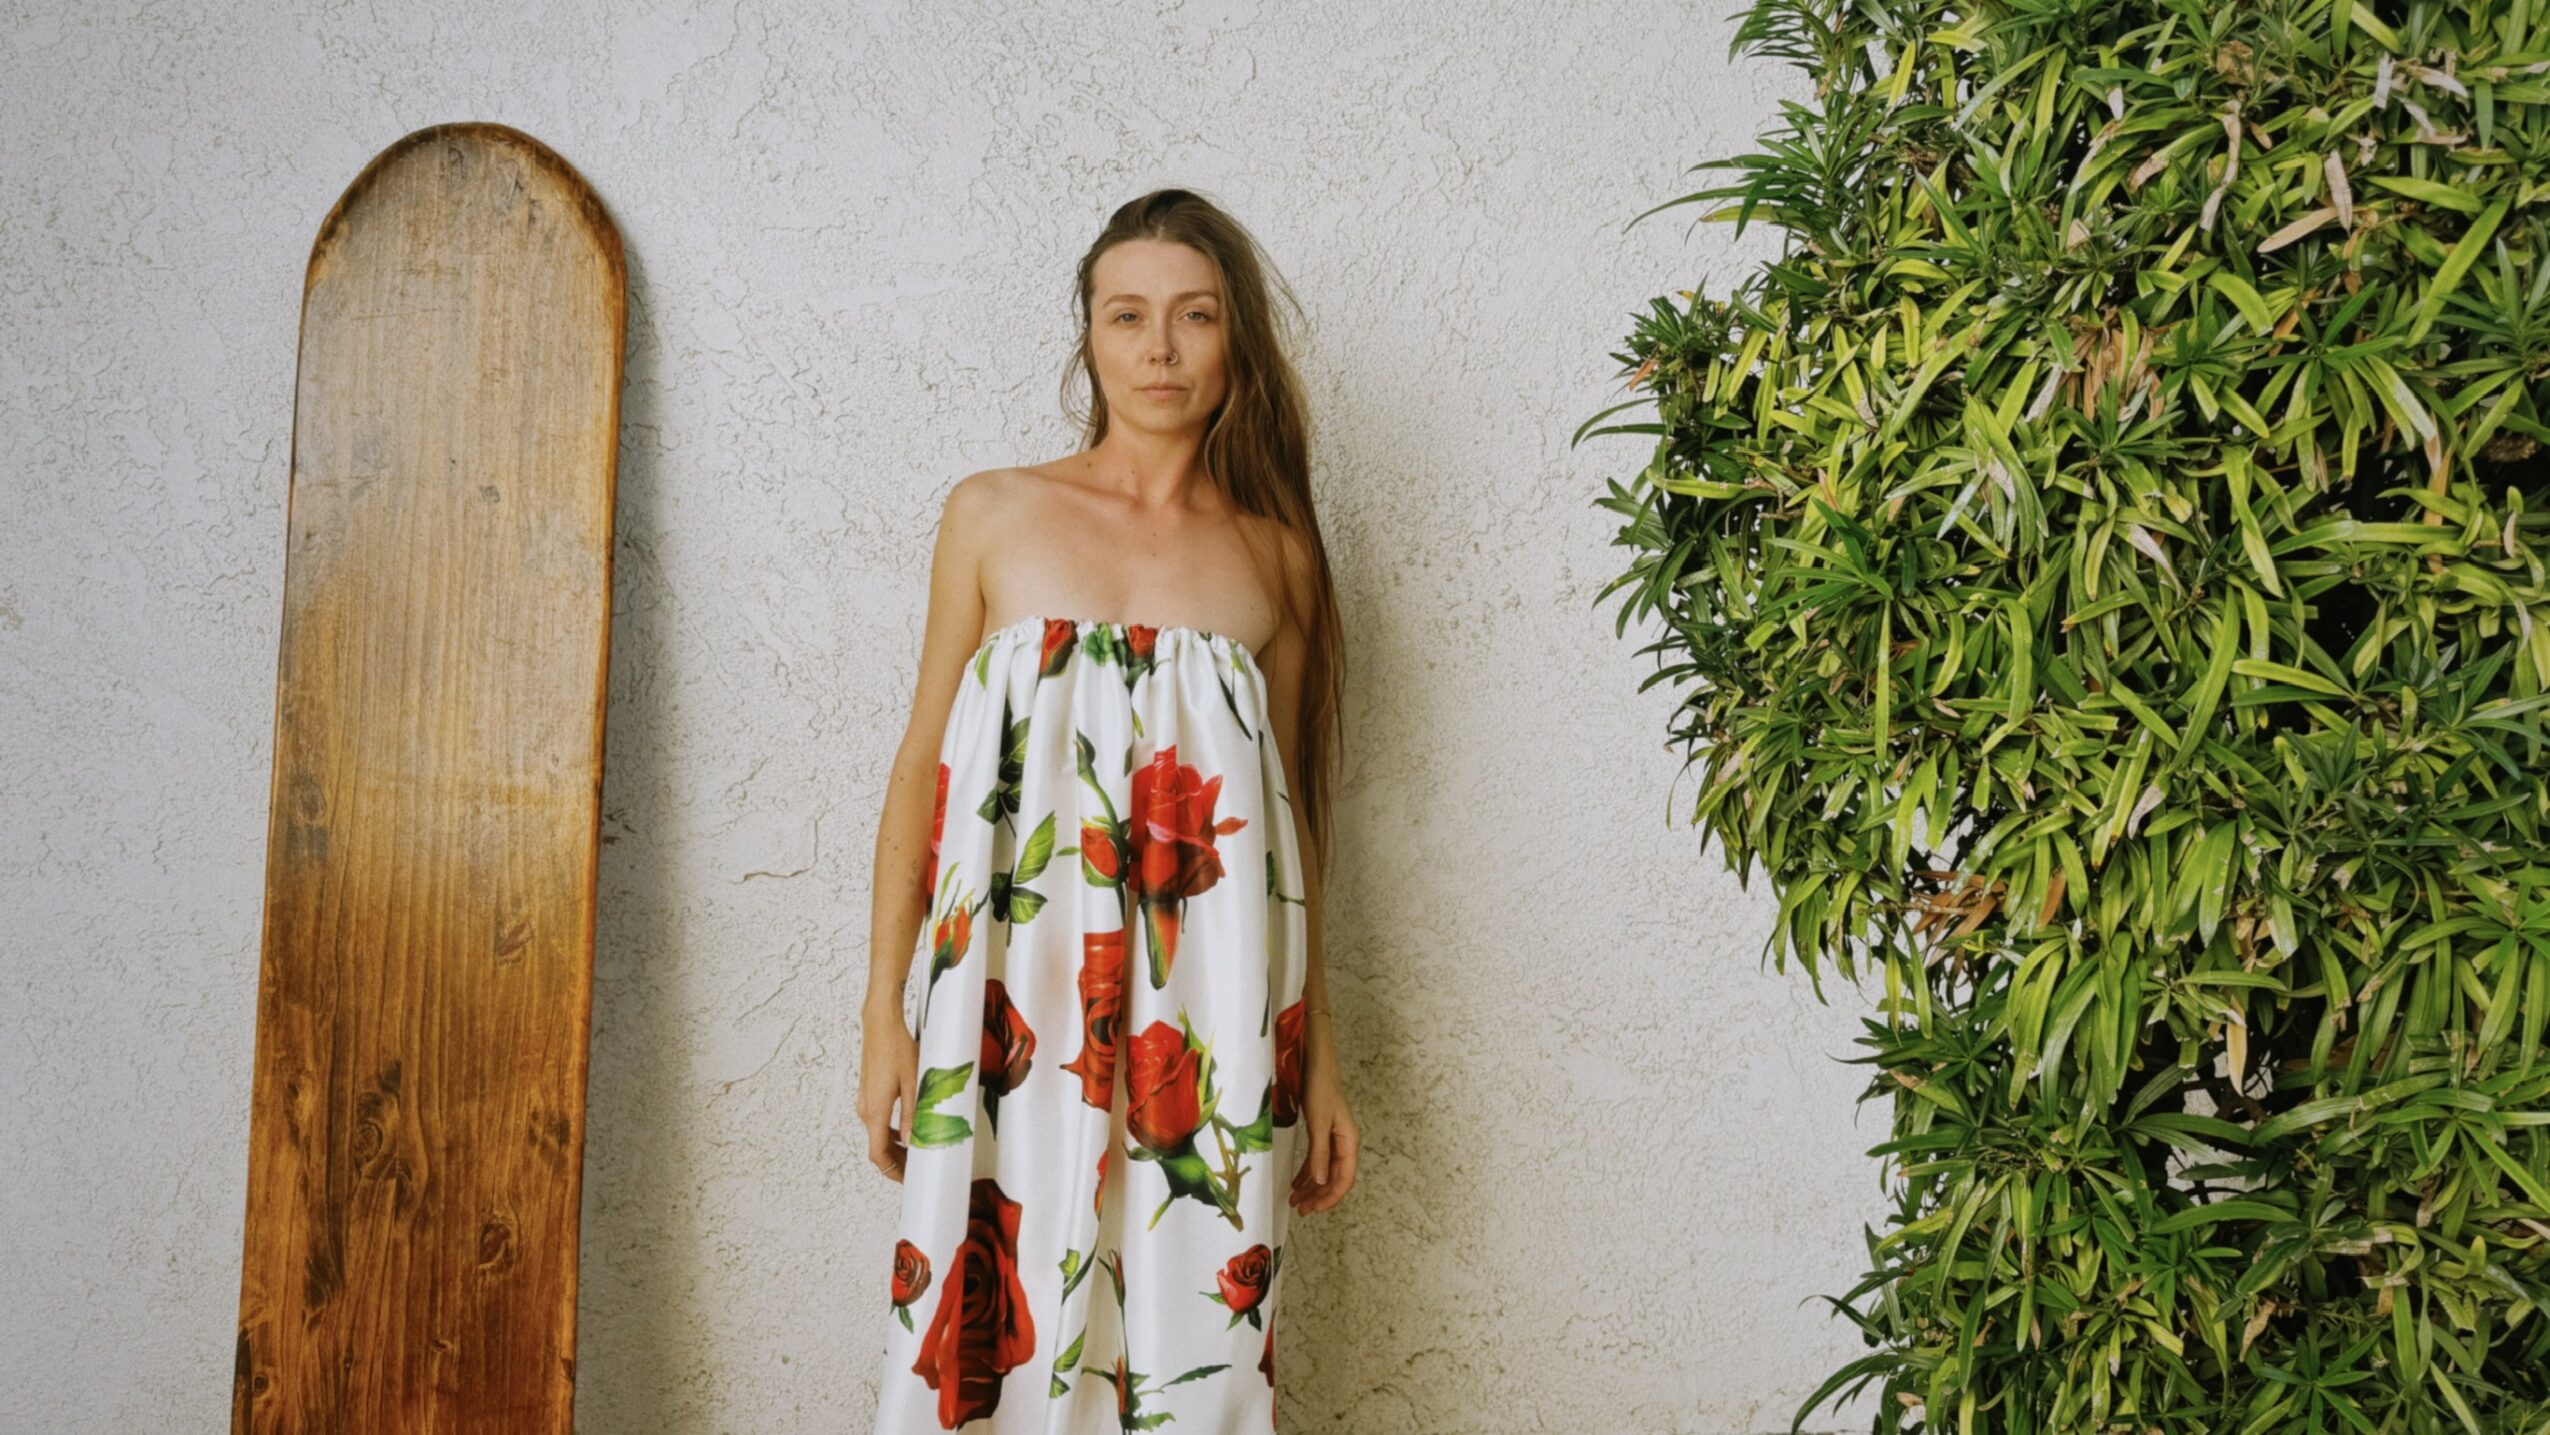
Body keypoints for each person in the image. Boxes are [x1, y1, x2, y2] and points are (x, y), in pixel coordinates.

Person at [859, 188, 1357, 1433]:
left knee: (1191, 1351)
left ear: (1236, 339)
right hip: (1009, 994)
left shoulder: (1275, 558)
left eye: (1195, 316)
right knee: (996, 1323)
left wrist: (1321, 1062)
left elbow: (1289, 831)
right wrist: (883, 1012)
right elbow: (923, 768)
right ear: (1088, 335)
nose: (1160, 349)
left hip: (1210, 1014)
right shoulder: (993, 513)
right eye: (1127, 315)